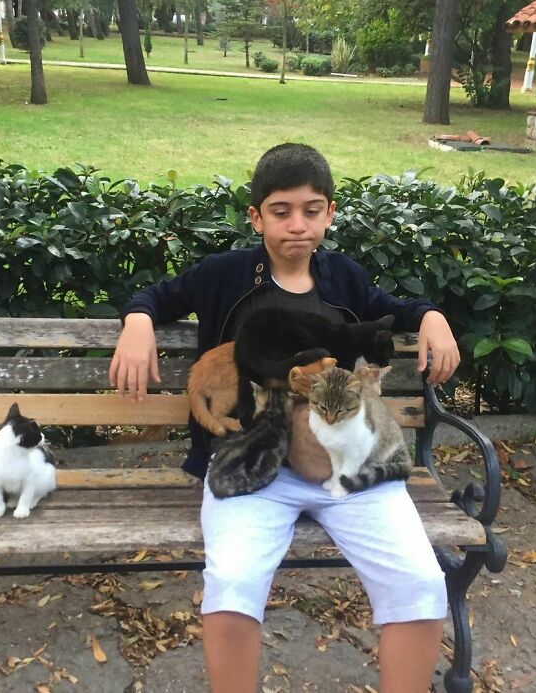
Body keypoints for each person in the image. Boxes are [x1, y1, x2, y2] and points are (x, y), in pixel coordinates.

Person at [109, 143, 460, 693]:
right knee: (233, 581)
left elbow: (392, 307)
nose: (298, 225)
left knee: (418, 580)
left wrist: (432, 316)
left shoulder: (343, 277)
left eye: (311, 210)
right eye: (281, 211)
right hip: (252, 466)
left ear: (330, 213)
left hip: (346, 464)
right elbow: (156, 295)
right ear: (256, 217)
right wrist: (137, 322)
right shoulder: (224, 275)